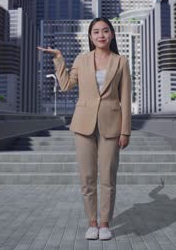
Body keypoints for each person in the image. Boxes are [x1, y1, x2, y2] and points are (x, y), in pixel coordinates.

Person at [37, 17, 132, 240]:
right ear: (90, 37)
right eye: (96, 32)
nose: (101, 35)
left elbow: (126, 98)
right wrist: (59, 59)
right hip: (83, 124)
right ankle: (92, 223)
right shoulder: (81, 59)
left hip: (112, 124)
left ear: (112, 35)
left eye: (105, 31)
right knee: (87, 176)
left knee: (108, 176)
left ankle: (105, 223)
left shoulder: (121, 62)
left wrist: (125, 131)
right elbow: (66, 85)